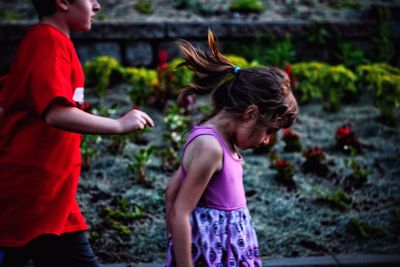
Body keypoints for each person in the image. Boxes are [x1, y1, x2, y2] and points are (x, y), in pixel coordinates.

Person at [0, 0, 154, 266]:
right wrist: (118, 125)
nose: (97, 6)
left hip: (52, 194)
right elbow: (55, 112)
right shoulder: (48, 44)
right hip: (34, 196)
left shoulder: (49, 43)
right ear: (62, 2)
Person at [164, 30, 299, 267]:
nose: (267, 140)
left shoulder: (220, 143)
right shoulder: (211, 148)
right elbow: (180, 211)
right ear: (250, 113)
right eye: (268, 130)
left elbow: (171, 190)